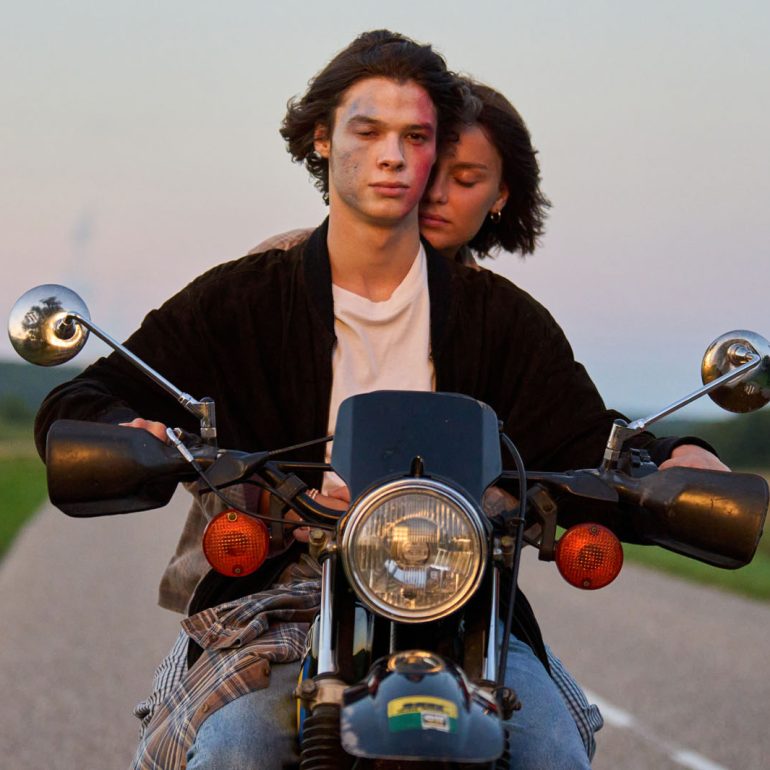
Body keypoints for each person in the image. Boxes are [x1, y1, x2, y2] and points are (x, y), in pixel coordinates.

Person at [34, 31, 723, 770]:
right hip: (287, 602)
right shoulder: (242, 301)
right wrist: (125, 427)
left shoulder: (500, 318)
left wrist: (676, 458)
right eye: (369, 131)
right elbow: (90, 393)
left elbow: (588, 440)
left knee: (551, 746)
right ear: (324, 139)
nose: (394, 155)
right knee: (242, 745)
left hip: (462, 609)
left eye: (417, 136)